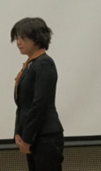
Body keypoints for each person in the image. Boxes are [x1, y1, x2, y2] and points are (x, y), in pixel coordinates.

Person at [11, 17, 64, 171]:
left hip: (45, 135)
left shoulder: (44, 63)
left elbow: (40, 103)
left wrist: (27, 138)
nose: (18, 42)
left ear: (36, 38)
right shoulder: (30, 65)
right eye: (16, 38)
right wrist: (18, 133)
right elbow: (22, 105)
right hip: (34, 136)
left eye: (22, 38)